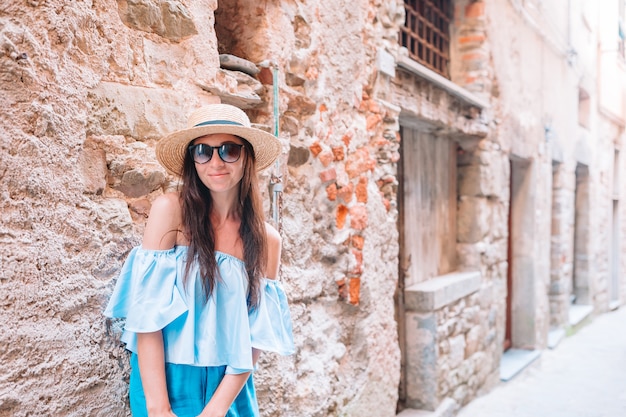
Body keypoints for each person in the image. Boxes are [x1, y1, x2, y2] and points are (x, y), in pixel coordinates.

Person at [104, 103, 295, 417]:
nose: (215, 161)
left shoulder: (267, 240)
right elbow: (147, 319)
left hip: (231, 389)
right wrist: (158, 409)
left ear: (247, 156)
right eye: (203, 151)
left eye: (229, 150)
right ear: (192, 159)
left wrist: (217, 410)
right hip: (166, 384)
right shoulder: (170, 211)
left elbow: (254, 338)